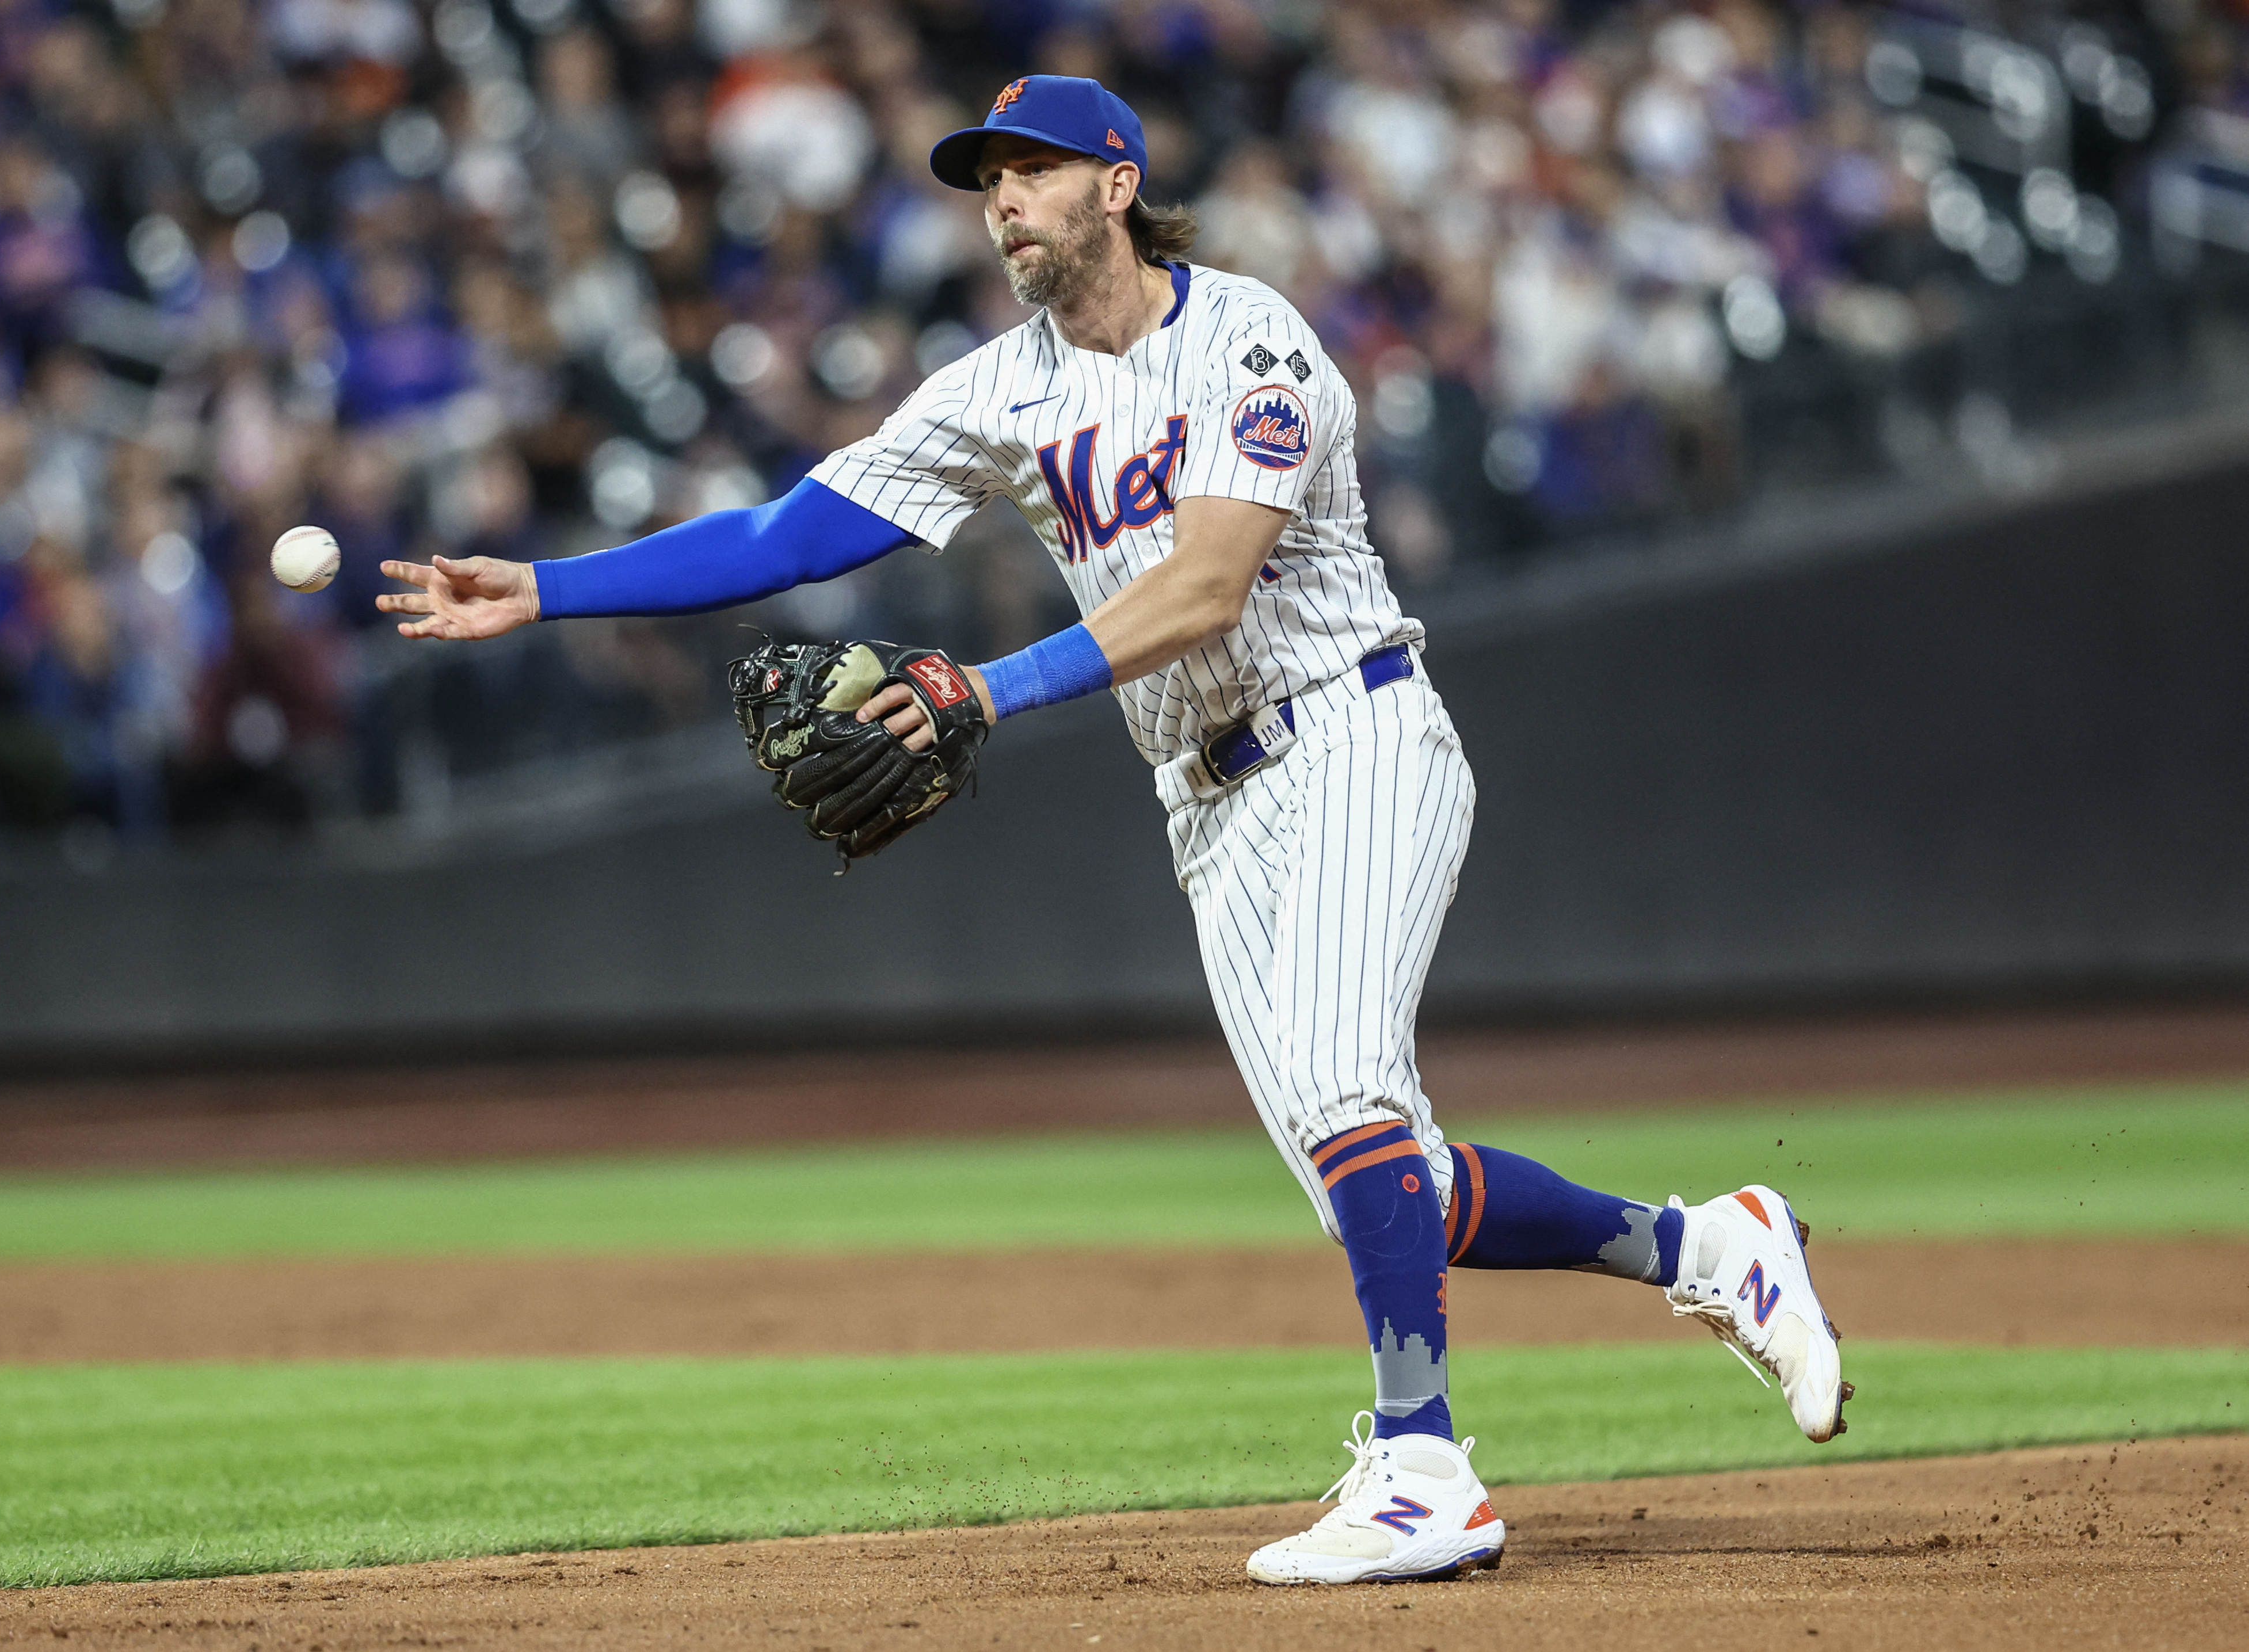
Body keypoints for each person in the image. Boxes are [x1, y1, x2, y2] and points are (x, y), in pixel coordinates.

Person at [379, 75, 1848, 1587]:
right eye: (982, 177)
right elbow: (784, 535)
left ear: (1116, 182)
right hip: (1204, 801)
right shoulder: (995, 392)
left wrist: (987, 686)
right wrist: (548, 590)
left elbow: (1208, 588)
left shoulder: (1251, 339)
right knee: (1383, 1168)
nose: (999, 196)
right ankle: (1706, 1249)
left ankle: (1422, 1467)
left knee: (1348, 1095)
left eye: (1030, 169)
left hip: (1350, 726)